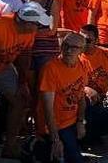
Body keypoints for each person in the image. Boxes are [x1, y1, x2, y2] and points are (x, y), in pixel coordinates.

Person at [0, 1, 51, 158]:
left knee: (20, 100)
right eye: (38, 25)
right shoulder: (0, 26)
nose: (40, 28)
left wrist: (22, 82)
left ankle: (10, 147)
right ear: (27, 23)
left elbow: (24, 55)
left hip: (2, 67)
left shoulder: (29, 31)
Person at [34, 32, 88, 163]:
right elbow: (48, 108)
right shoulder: (51, 68)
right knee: (73, 159)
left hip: (73, 119)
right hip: (57, 124)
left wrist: (81, 122)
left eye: (74, 47)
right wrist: (55, 139)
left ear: (82, 50)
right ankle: (39, 145)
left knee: (107, 114)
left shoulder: (82, 65)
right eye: (66, 45)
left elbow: (81, 97)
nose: (68, 50)